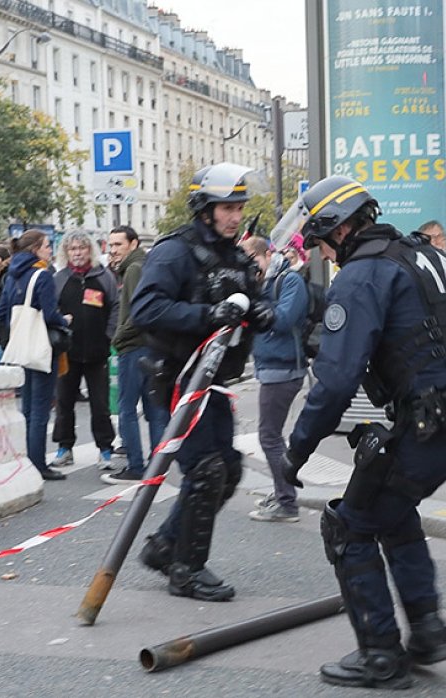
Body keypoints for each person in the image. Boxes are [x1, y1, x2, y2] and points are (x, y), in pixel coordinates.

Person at [283, 175, 446, 689]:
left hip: (436, 423)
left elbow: (334, 380)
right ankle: (427, 631)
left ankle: (380, 654)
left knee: (349, 525)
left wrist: (297, 450)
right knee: (392, 509)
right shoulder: (423, 255)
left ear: (338, 229)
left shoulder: (361, 276)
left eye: (321, 240)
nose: (324, 253)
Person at [130, 162, 273, 601]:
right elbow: (146, 309)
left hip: (213, 381)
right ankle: (186, 570)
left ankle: (165, 546)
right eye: (226, 207)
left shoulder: (235, 256)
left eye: (239, 207)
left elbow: (251, 299)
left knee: (227, 468)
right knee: (207, 470)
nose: (235, 216)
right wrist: (206, 316)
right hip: (178, 379)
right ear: (205, 209)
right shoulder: (175, 251)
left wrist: (262, 313)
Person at [240, 235, 309, 523]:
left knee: (269, 436)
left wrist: (255, 301)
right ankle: (283, 493)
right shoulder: (263, 284)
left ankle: (287, 501)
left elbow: (282, 320)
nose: (249, 268)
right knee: (272, 434)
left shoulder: (288, 281)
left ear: (266, 255)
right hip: (271, 367)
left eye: (252, 260)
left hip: (284, 369)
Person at [0, 230, 70, 481]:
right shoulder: (43, 275)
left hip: (20, 346)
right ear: (36, 249)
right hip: (40, 347)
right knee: (40, 408)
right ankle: (38, 463)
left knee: (26, 407)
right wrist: (65, 320)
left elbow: (1, 312)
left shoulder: (12, 274)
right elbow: (50, 315)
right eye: (48, 246)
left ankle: (25, 458)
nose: (50, 250)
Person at [49, 231, 119, 472]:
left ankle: (105, 449)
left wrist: (109, 335)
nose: (77, 253)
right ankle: (64, 447)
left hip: (98, 351)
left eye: (81, 248)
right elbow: (51, 310)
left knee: (100, 404)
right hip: (67, 352)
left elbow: (116, 307)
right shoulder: (59, 278)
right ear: (66, 252)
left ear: (90, 250)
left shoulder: (104, 276)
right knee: (65, 402)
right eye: (72, 249)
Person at [105, 225, 170, 483]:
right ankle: (157, 466)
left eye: (118, 245)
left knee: (127, 408)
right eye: (110, 246)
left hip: (133, 346)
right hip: (152, 346)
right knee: (153, 409)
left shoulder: (133, 269)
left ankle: (135, 465)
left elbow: (137, 312)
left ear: (132, 244)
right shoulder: (146, 264)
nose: (113, 250)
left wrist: (119, 337)